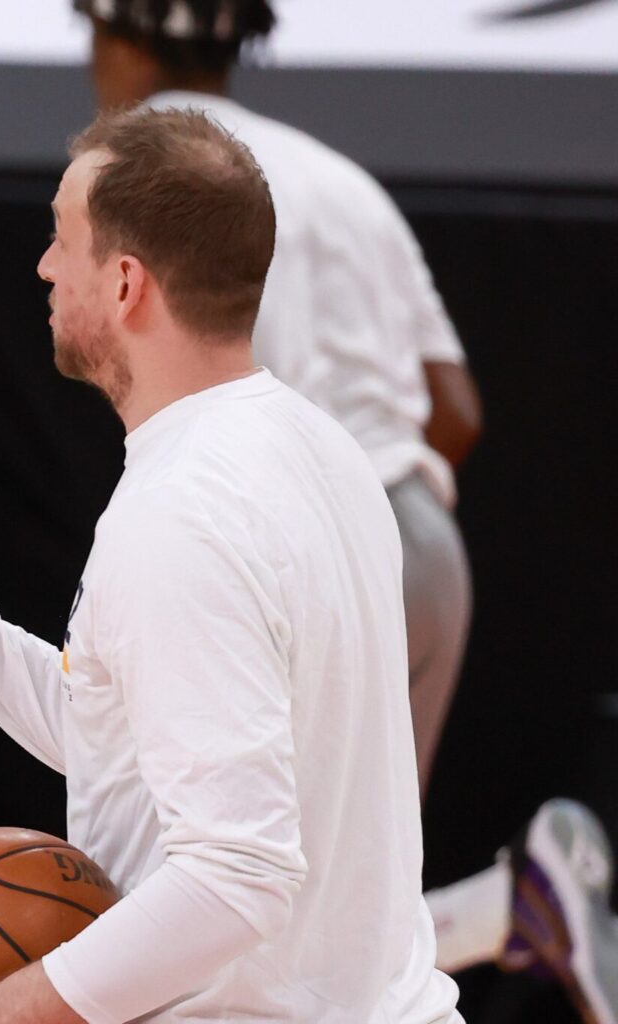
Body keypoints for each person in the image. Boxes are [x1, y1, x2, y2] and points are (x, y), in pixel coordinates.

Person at [0, 106, 459, 1022]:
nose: (45, 265)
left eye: (63, 237)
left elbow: (237, 876)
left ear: (126, 283)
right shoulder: (324, 450)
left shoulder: (183, 510)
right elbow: (127, 741)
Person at [76, 5, 617, 1018]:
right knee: (345, 915)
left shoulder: (145, 178)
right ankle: (507, 908)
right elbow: (455, 407)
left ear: (118, 39)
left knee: (220, 905)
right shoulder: (345, 180)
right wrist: (358, 506)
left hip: (282, 556)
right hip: (416, 546)